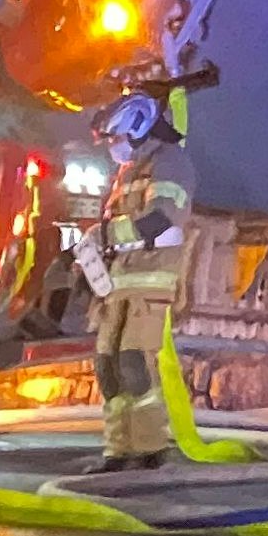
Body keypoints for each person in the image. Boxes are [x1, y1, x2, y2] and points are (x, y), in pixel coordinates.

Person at [81, 89, 193, 472]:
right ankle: (118, 451)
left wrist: (107, 235)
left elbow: (162, 220)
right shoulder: (129, 172)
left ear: (139, 128)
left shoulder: (170, 164)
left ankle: (150, 450)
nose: (113, 147)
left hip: (151, 282)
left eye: (116, 138)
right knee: (106, 366)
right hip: (118, 284)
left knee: (134, 363)